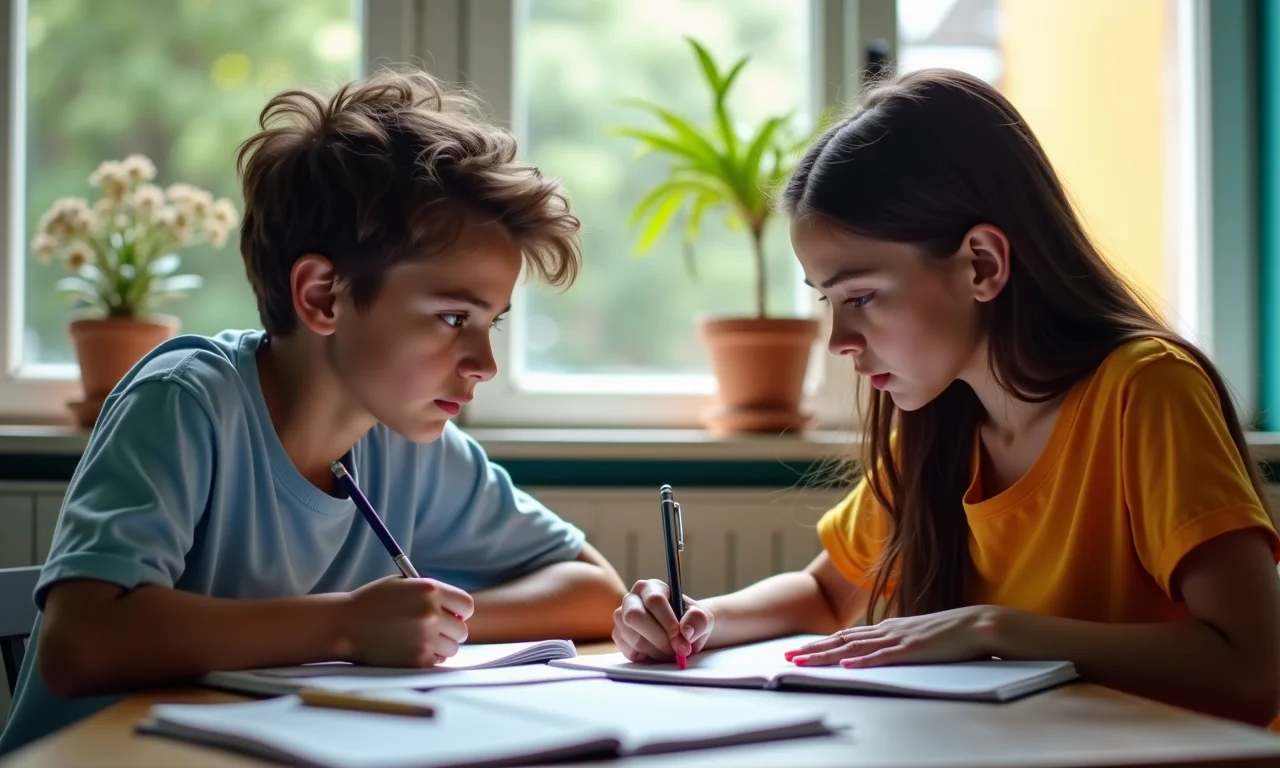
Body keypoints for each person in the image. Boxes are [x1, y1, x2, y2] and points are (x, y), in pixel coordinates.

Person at [613, 69, 1280, 728]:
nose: (838, 340)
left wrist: (994, 629)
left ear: (981, 264)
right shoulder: (944, 422)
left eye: (862, 297)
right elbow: (823, 593)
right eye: (827, 300)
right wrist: (699, 618)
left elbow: (1251, 670)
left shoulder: (1148, 389)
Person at [0, 69, 625, 754]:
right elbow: (80, 642)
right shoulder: (185, 402)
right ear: (323, 296)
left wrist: (425, 624)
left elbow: (595, 590)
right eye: (453, 317)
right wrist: (347, 627)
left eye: (492, 324)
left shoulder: (408, 439)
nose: (485, 363)